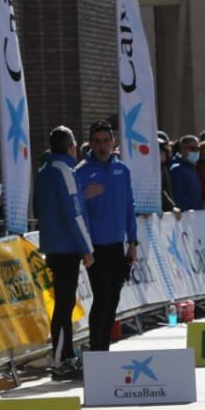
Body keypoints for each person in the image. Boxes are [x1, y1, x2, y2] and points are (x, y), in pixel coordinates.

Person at [33, 127, 95, 380]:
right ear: (71, 145)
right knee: (64, 303)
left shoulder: (45, 171)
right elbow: (74, 213)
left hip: (54, 244)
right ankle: (61, 358)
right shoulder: (64, 171)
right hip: (66, 246)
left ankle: (65, 354)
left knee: (64, 302)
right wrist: (87, 247)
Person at [74, 119, 137, 356]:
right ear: (91, 144)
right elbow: (72, 210)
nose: (102, 146)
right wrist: (83, 196)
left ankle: (103, 349)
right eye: (97, 142)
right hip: (93, 247)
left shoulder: (122, 170)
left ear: (114, 143)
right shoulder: (80, 173)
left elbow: (130, 206)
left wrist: (132, 241)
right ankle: (97, 350)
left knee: (113, 297)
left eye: (106, 141)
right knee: (102, 295)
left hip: (116, 246)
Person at [167, 135, 204, 211]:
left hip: (196, 215)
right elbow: (179, 198)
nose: (196, 152)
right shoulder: (176, 169)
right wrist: (200, 205)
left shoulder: (193, 168)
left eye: (198, 149)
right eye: (192, 148)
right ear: (182, 149)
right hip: (185, 217)